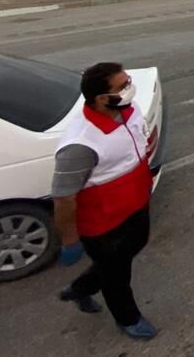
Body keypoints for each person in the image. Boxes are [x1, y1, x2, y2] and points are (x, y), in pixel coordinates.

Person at [52, 62, 157, 340]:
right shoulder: (80, 145)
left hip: (136, 203)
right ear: (101, 98)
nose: (130, 89)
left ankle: (81, 288)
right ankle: (128, 319)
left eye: (128, 82)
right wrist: (69, 240)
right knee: (117, 275)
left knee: (133, 248)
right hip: (104, 224)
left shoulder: (129, 111)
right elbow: (64, 197)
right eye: (122, 87)